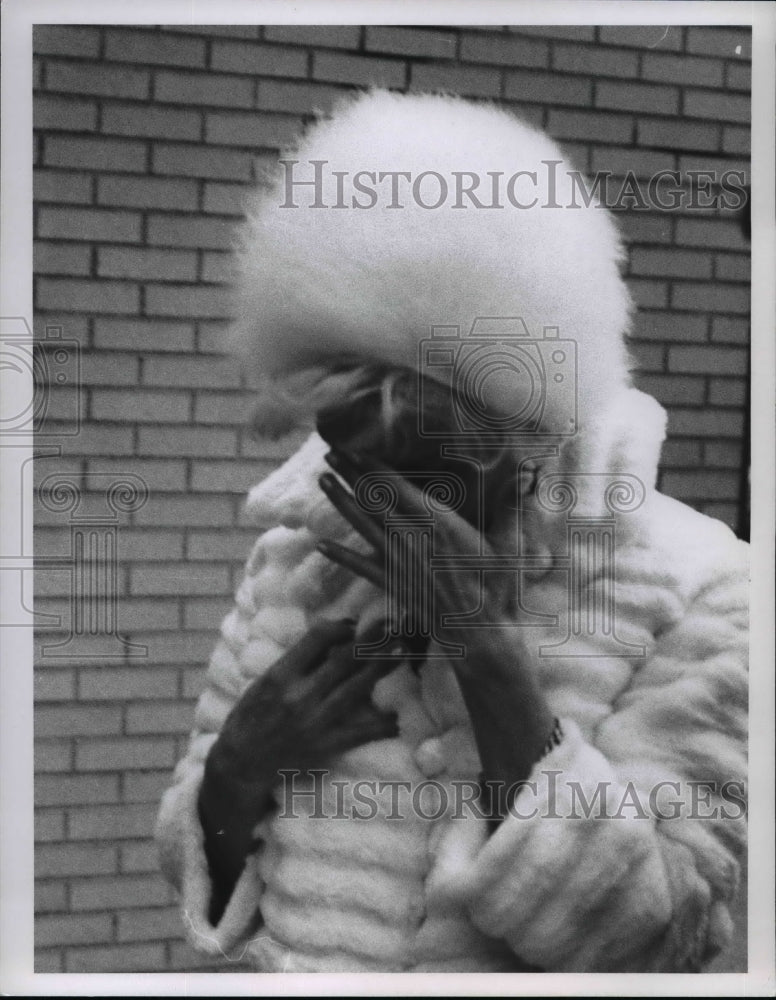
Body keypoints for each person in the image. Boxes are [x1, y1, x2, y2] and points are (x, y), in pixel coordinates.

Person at [155, 90, 749, 973]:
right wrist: (241, 766)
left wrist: (488, 658)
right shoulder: (295, 559)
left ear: (525, 427)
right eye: (352, 459)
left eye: (426, 467)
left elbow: (662, 941)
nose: (383, 503)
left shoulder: (703, 586)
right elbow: (210, 865)